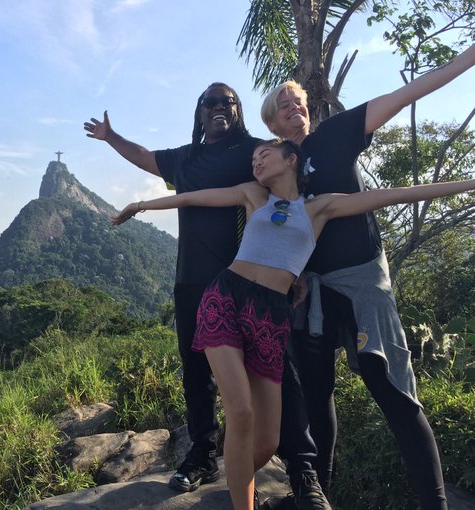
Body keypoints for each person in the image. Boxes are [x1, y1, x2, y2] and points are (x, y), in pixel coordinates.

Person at [110, 138, 475, 510]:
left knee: (267, 442)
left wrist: (468, 184)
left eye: (264, 154)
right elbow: (191, 198)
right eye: (253, 158)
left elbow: (396, 195)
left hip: (271, 315)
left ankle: (239, 486)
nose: (256, 162)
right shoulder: (254, 195)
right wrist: (139, 205)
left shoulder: (319, 208)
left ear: (291, 159)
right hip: (227, 298)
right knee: (241, 412)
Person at [85, 85, 330, 509]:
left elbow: (291, 196)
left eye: (228, 102)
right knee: (195, 372)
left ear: (238, 113)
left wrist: (300, 269)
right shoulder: (186, 158)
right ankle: (202, 451)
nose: (219, 108)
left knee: (279, 375)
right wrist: (111, 138)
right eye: (210, 103)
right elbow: (146, 158)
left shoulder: (253, 151)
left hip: (250, 285)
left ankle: (299, 467)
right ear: (199, 114)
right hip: (193, 280)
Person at [260, 43, 475, 510]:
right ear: (272, 125)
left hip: (361, 281)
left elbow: (408, 93)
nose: (295, 108)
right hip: (311, 292)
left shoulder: (336, 134)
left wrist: (465, 61)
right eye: (283, 106)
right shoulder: (273, 172)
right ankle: (316, 499)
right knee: (316, 399)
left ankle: (434, 503)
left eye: (298, 102)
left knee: (394, 391)